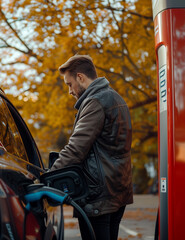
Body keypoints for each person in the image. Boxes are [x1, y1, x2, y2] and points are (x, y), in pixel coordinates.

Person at [49, 55, 133, 240]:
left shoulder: (94, 102)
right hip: (118, 190)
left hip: (98, 195)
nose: (70, 91)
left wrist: (48, 177)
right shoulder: (116, 97)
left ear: (80, 77)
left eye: (69, 84)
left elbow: (76, 148)